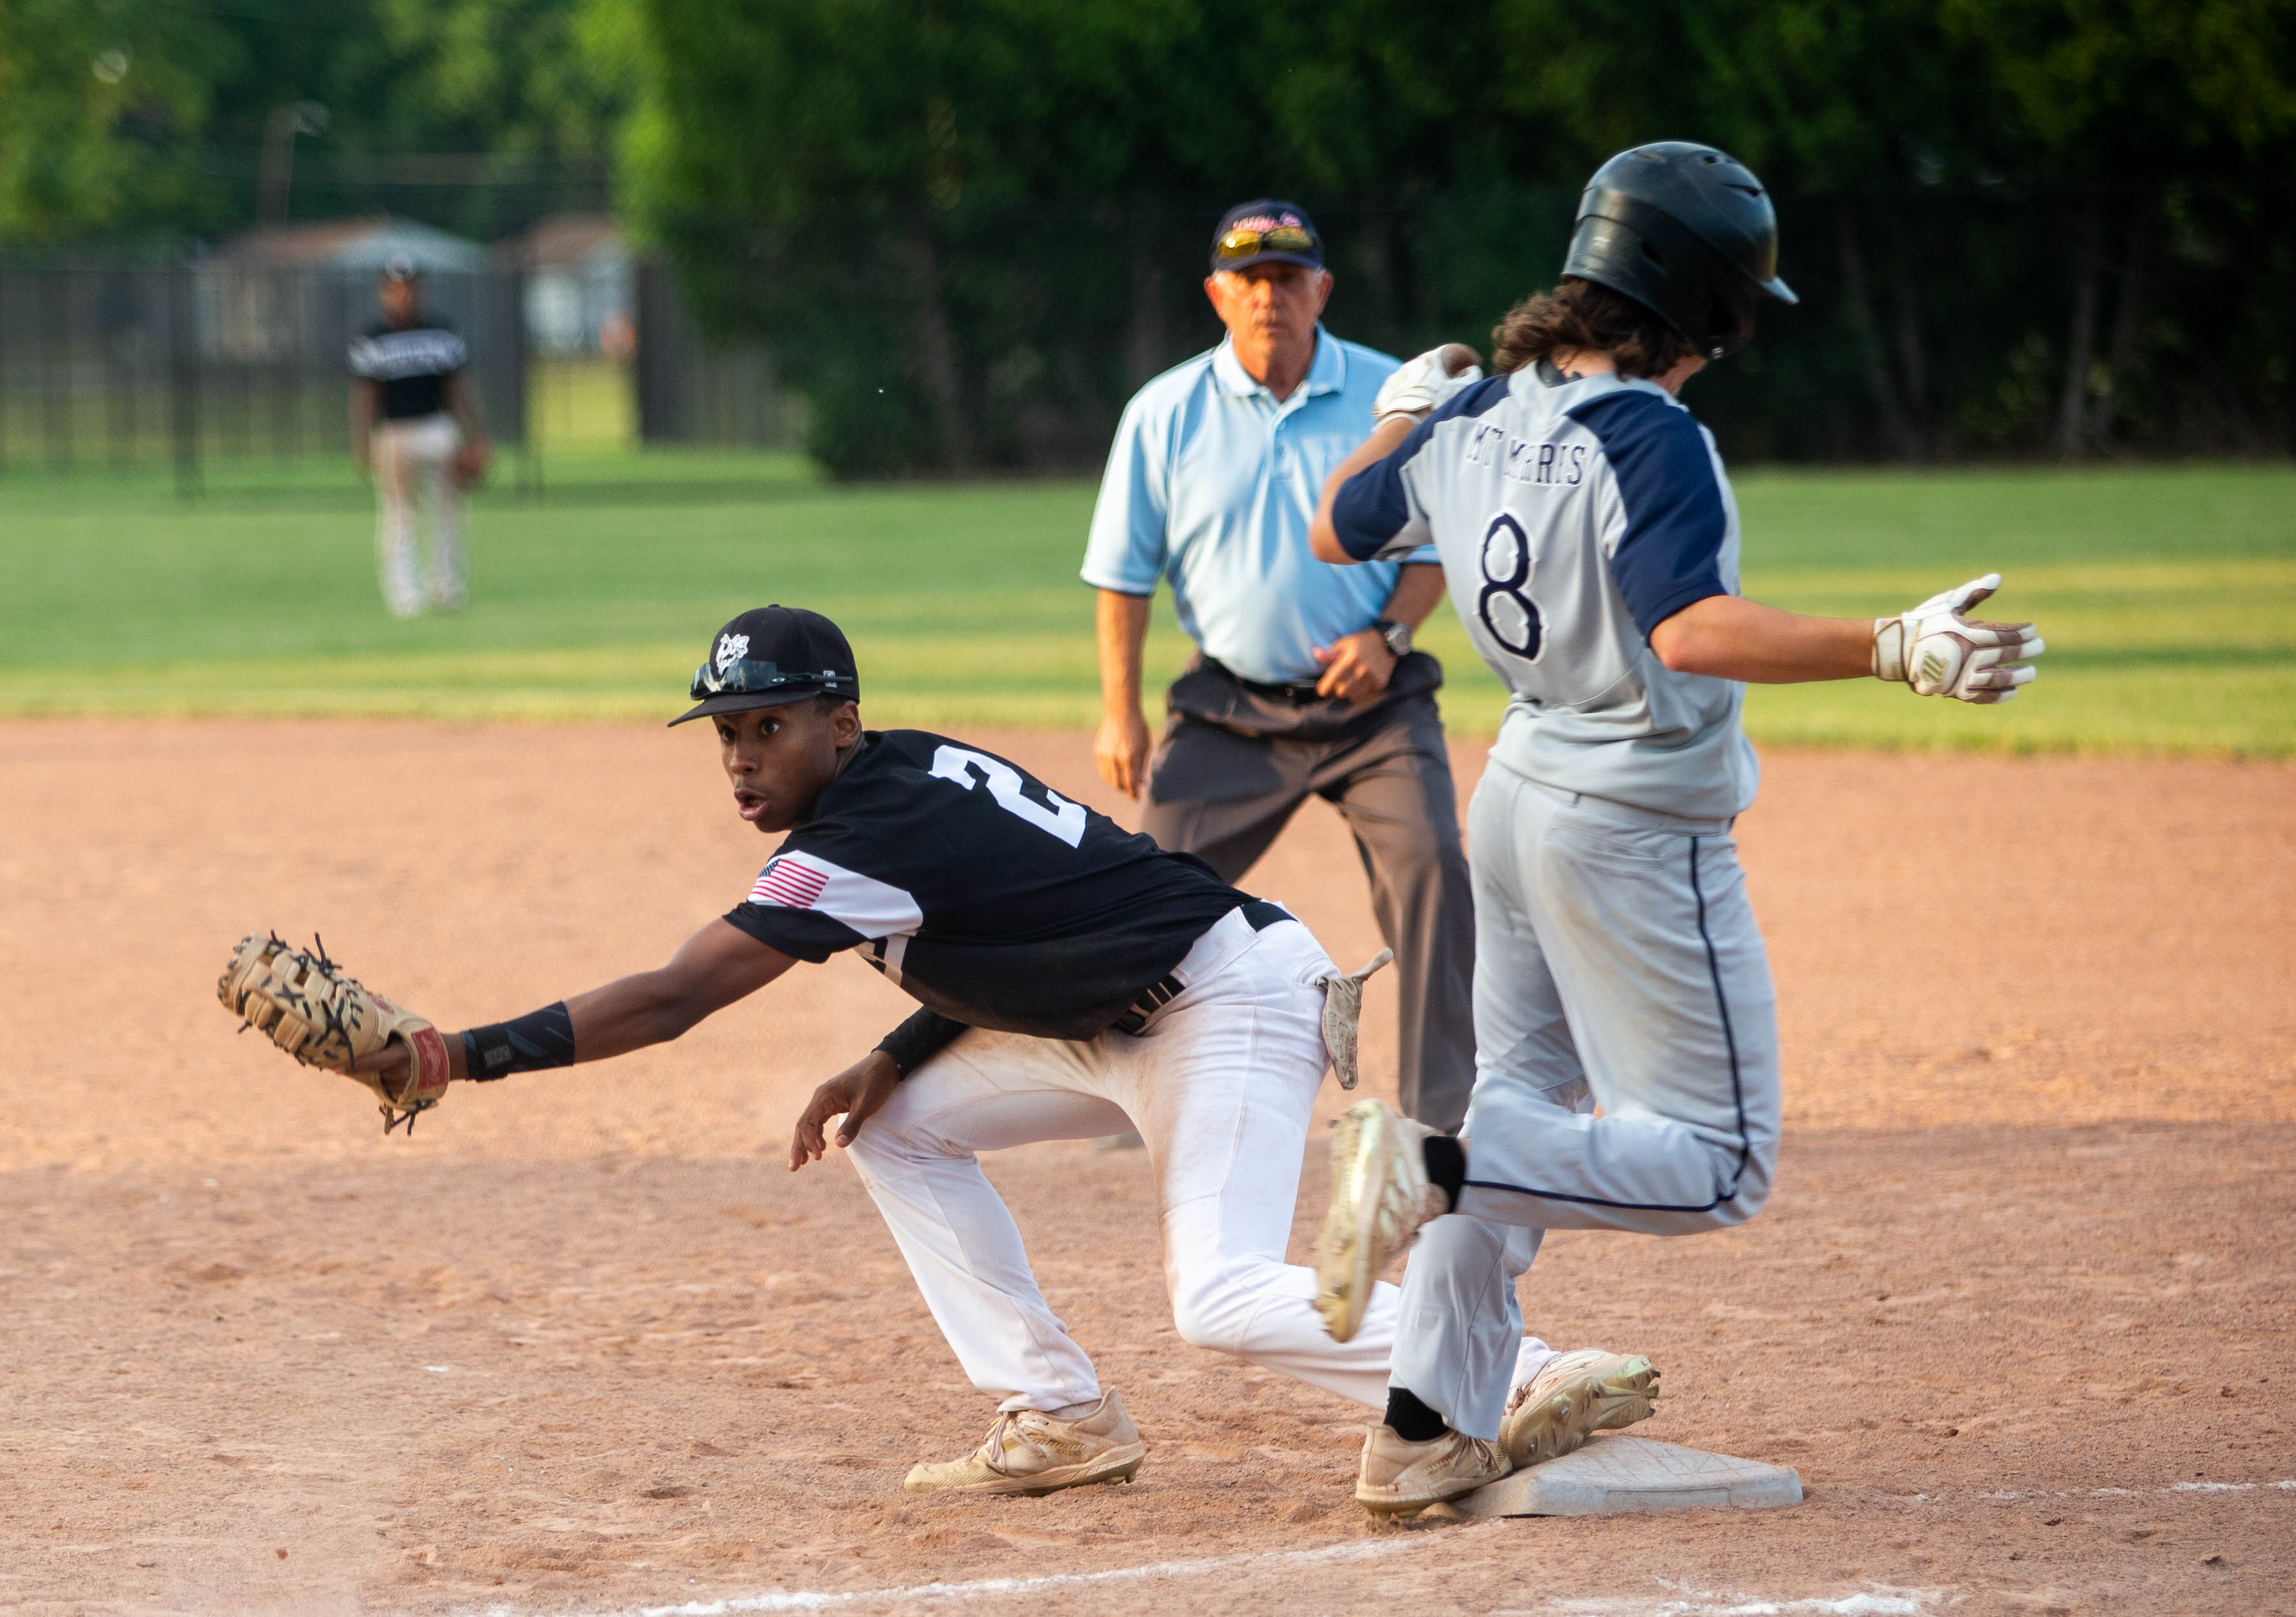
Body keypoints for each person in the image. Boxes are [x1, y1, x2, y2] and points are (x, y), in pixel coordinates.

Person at [347, 603, 1656, 1496]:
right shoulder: (897, 780)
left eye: (770, 724)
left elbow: (675, 997)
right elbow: (1020, 912)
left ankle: (1521, 1370)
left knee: (1213, 1298)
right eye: (726, 732)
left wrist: (455, 1053)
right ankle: (1059, 1411)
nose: (742, 756)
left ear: (838, 721)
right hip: (1110, 1017)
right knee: (895, 1122)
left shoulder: (858, 833)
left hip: (1229, 1001)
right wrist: (895, 1046)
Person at [1303, 141, 2043, 1518]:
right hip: (1627, 820)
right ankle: (1419, 1165)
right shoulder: (1647, 430)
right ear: (1700, 302)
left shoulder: (1469, 408)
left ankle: (1421, 1424)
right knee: (1714, 1163)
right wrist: (1889, 645)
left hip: (1512, 798)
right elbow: (1686, 627)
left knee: (1516, 1100)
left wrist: (1406, 412)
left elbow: (1337, 524)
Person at [1082, 200, 1476, 1131]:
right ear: (1217, 293)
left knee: (1430, 861)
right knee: (1146, 887)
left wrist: (1385, 636)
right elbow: (1121, 577)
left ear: (1321, 290)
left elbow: (1438, 549)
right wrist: (1119, 712)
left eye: (1288, 278)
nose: (1270, 297)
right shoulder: (1163, 413)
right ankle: (1116, 1089)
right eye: (1249, 279)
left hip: (1371, 701)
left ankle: (1439, 1110)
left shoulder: (1394, 400)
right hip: (1228, 708)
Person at [349, 257, 490, 618]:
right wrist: (362, 445)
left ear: (419, 291)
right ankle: (405, 594)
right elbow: (366, 397)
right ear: (383, 293)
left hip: (437, 428)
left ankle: (446, 587)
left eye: (409, 288)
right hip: (394, 432)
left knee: (449, 513)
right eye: (395, 289)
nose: (403, 296)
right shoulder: (372, 338)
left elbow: (457, 389)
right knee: (399, 515)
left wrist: (476, 437)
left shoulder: (441, 332)